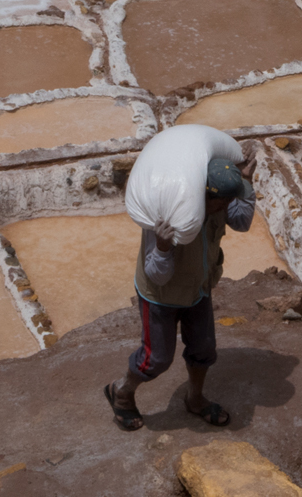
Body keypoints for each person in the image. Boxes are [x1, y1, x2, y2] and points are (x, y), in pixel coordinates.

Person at [104, 125, 256, 431]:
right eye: (222, 203)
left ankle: (195, 399)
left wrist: (247, 182)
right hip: (160, 296)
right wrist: (162, 247)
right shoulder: (170, 209)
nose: (226, 208)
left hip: (199, 289)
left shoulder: (218, 203)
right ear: (206, 195)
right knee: (156, 358)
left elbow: (241, 221)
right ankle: (121, 392)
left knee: (204, 349)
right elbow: (157, 275)